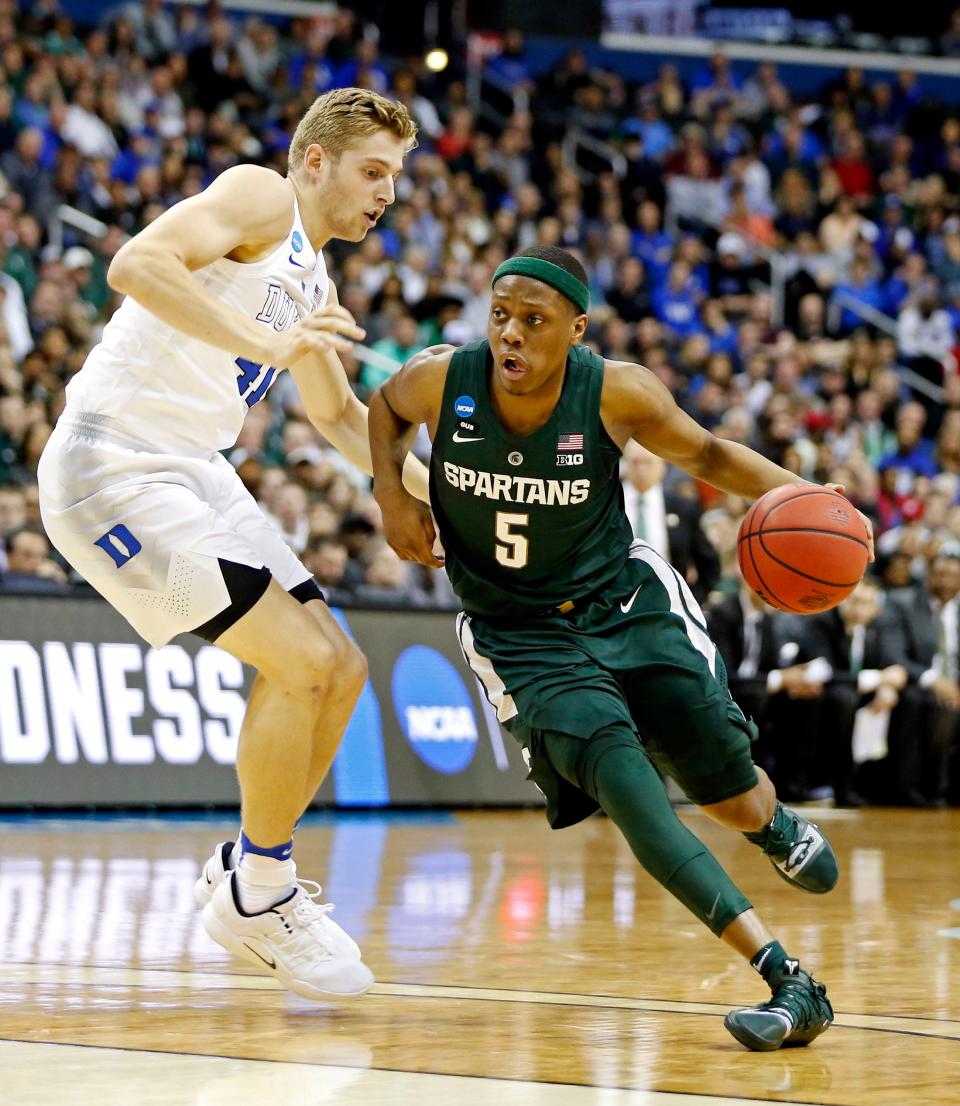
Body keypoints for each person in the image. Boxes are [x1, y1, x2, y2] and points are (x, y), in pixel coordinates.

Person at [369, 244, 875, 1052]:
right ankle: (788, 981)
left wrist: (803, 494)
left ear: (576, 329)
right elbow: (383, 410)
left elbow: (707, 454)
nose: (511, 336)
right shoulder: (441, 379)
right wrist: (390, 492)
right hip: (520, 634)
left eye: (534, 322)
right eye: (500, 315)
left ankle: (770, 824)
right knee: (632, 793)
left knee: (725, 791)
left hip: (623, 603)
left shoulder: (617, 391)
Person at [37, 87, 428, 1001]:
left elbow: (337, 417)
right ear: (317, 161)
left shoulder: (315, 280)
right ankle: (261, 895)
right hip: (110, 469)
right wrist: (272, 337)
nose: (388, 194)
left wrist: (454, 492)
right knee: (299, 663)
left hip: (192, 471)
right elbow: (137, 264)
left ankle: (253, 878)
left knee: (338, 667)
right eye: (375, 172)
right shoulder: (261, 194)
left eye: (398, 178)